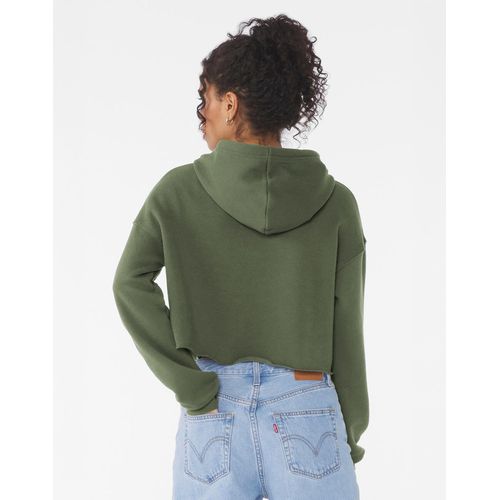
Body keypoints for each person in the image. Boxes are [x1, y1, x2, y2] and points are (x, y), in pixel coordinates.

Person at [112, 14, 369, 500]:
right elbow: (347, 330)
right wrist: (347, 430)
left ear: (230, 105)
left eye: (205, 99)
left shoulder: (177, 192)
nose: (201, 115)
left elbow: (129, 283)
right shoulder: (337, 203)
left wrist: (192, 385)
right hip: (310, 408)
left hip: (213, 413)